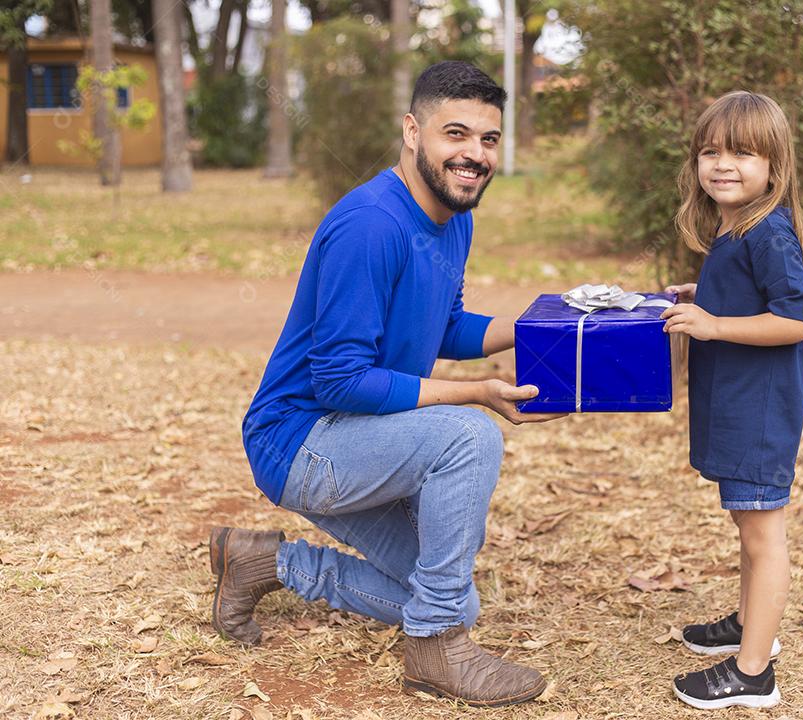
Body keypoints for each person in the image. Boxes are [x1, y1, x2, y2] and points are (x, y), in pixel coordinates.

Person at [209, 61, 563, 708]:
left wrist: (543, 328)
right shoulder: (370, 225)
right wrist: (476, 391)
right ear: (412, 130)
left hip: (361, 435)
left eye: (488, 139)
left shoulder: (456, 217)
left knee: (453, 592)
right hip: (300, 440)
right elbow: (342, 381)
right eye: (456, 134)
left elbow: (444, 325)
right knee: (469, 438)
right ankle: (435, 651)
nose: (474, 154)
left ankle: (266, 564)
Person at [659, 90, 803, 710]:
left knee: (762, 534)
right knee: (746, 524)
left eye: (743, 153)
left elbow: (794, 321)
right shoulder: (736, 228)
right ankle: (751, 621)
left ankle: (754, 673)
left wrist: (715, 326)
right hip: (736, 404)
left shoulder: (768, 232)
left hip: (759, 411)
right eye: (710, 152)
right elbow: (748, 295)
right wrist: (707, 294)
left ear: (773, 167)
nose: (723, 164)